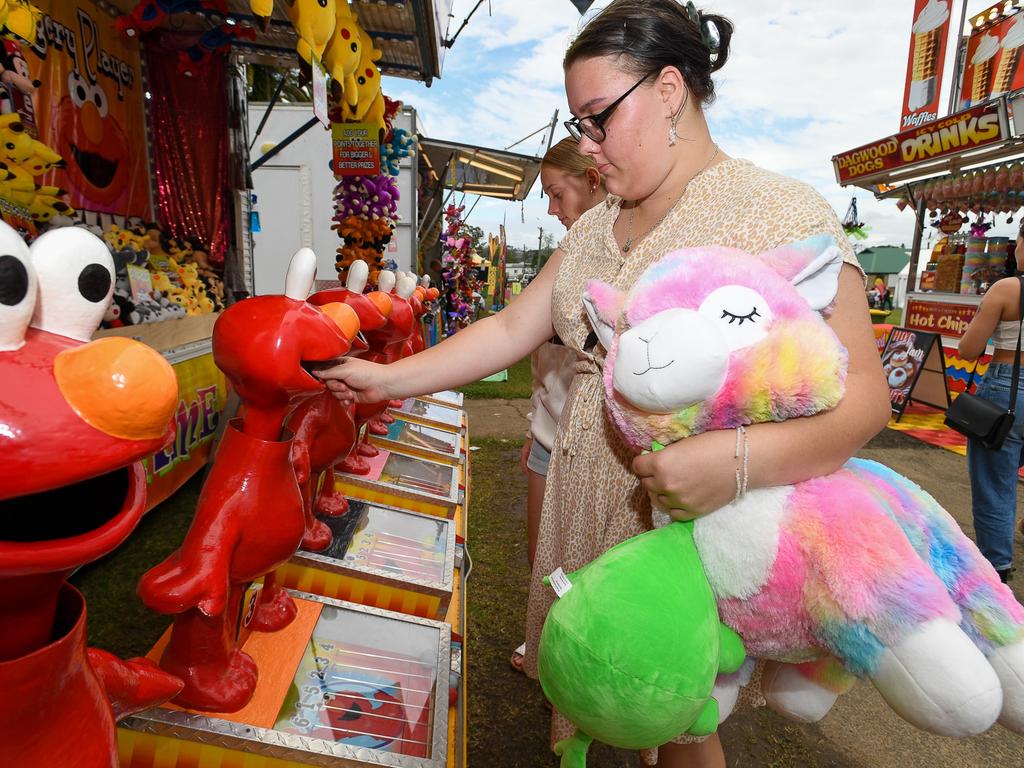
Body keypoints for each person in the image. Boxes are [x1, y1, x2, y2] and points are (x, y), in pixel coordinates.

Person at [318, 2, 890, 765]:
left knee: (682, 719)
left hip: (682, 521)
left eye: (598, 119)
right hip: (583, 498)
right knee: (596, 694)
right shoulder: (598, 223)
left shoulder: (776, 212)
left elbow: (866, 399)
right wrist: (385, 379)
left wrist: (736, 462)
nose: (587, 147)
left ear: (667, 91)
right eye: (579, 124)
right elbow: (509, 330)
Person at [511, 137, 607, 673]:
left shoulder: (618, 258)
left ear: (591, 181)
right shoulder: (569, 259)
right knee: (542, 560)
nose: (551, 208)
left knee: (591, 568)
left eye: (555, 193)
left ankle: (581, 659)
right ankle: (549, 644)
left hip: (593, 450)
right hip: (550, 436)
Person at [957, 223, 1024, 584]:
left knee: (996, 486)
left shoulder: (1008, 288)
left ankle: (996, 568)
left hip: (1008, 390)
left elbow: (968, 350)